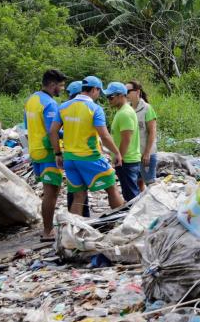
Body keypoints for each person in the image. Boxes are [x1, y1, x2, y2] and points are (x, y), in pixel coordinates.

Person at [49, 76, 125, 215]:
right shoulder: (95, 109)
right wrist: (117, 153)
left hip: (70, 159)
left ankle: (73, 232)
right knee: (112, 188)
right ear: (95, 89)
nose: (99, 95)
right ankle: (123, 226)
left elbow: (53, 131)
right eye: (99, 91)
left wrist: (58, 153)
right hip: (90, 157)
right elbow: (104, 135)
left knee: (79, 196)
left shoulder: (64, 107)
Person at [23, 69, 66, 240]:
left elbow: (27, 126)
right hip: (48, 153)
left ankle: (47, 228)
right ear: (53, 85)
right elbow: (52, 132)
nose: (62, 89)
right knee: (51, 193)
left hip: (35, 151)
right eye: (61, 86)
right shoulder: (49, 104)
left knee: (47, 192)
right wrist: (58, 151)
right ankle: (47, 232)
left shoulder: (31, 100)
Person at [104, 82, 143, 202]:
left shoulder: (125, 113)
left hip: (127, 160)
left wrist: (118, 156)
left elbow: (127, 138)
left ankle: (135, 219)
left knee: (131, 196)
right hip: (128, 159)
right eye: (107, 97)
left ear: (121, 95)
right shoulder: (122, 111)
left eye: (111, 97)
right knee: (132, 193)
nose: (109, 100)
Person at [63, 81, 91, 218]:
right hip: (84, 154)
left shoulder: (64, 107)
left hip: (69, 155)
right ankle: (81, 219)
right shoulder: (86, 107)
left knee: (75, 190)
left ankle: (76, 219)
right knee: (79, 192)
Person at [125, 81, 158, 191]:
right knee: (138, 182)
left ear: (137, 92)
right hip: (134, 154)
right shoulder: (127, 109)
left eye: (129, 91)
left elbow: (152, 132)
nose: (126, 94)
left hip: (146, 153)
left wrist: (147, 153)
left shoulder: (147, 108)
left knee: (150, 184)